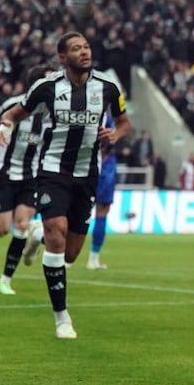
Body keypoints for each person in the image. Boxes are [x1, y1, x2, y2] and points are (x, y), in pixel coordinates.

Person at [0, 31, 132, 339]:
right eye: (75, 48)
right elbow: (14, 113)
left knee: (70, 254)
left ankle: (37, 234)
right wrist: (5, 126)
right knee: (57, 236)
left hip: (87, 176)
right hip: (51, 172)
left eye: (86, 46)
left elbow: (124, 123)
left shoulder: (109, 89)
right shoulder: (46, 88)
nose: (84, 52)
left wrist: (116, 135)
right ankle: (62, 318)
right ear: (62, 57)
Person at [0, 63, 54, 294]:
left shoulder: (55, 114)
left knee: (21, 224)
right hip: (6, 173)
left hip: (31, 177)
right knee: (2, 230)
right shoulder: (15, 105)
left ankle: (5, 280)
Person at [86, 114, 117, 270]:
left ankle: (64, 256)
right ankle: (93, 258)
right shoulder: (108, 118)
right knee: (102, 210)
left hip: (83, 164)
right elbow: (112, 139)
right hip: (104, 166)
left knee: (76, 209)